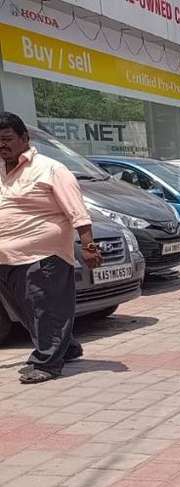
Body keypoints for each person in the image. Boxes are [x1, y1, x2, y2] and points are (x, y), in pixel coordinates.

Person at [0, 112, 100, 384]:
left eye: (7, 139)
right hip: (7, 257)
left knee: (46, 309)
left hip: (43, 254)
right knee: (27, 311)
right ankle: (65, 348)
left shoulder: (51, 169)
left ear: (25, 138)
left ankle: (46, 363)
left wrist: (89, 246)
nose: (2, 145)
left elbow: (77, 211)